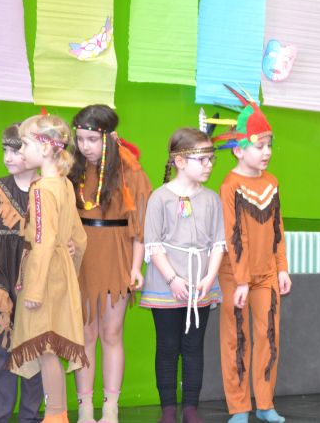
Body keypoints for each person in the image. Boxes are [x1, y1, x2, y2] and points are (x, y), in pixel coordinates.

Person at [205, 87, 292, 423]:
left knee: (269, 336)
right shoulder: (230, 186)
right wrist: (241, 280)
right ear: (239, 150)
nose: (266, 152)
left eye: (269, 145)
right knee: (237, 339)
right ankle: (239, 407)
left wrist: (282, 268)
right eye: (259, 146)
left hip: (266, 274)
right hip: (235, 276)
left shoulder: (272, 182)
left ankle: (265, 403)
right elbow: (233, 236)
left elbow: (278, 229)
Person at [69, 105, 151, 423]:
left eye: (91, 139)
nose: (85, 146)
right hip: (81, 256)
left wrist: (136, 267)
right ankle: (85, 408)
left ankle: (110, 408)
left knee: (112, 333)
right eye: (80, 139)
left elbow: (140, 226)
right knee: (85, 333)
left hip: (117, 253)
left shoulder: (130, 171)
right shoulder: (71, 169)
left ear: (109, 137)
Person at [7, 114, 88, 423]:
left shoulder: (41, 189)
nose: (21, 150)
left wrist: (35, 289)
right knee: (50, 346)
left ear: (44, 148)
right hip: (60, 272)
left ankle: (55, 416)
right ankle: (58, 414)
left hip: (44, 275)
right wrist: (72, 265)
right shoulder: (64, 184)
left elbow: (42, 240)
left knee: (47, 349)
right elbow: (79, 238)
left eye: (25, 144)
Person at [141, 127, 225, 423]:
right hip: (166, 284)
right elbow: (152, 244)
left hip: (200, 284)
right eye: (202, 159)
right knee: (167, 347)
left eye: (211, 159)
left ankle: (190, 407)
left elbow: (218, 244)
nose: (209, 165)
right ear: (179, 161)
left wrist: (208, 278)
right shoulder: (159, 198)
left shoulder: (212, 199)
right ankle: (168, 408)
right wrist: (172, 279)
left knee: (193, 348)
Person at [0, 124, 42, 422]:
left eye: (15, 151)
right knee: (1, 349)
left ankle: (30, 415)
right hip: (2, 277)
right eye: (5, 150)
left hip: (35, 279)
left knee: (35, 349)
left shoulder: (49, 189)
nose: (8, 157)